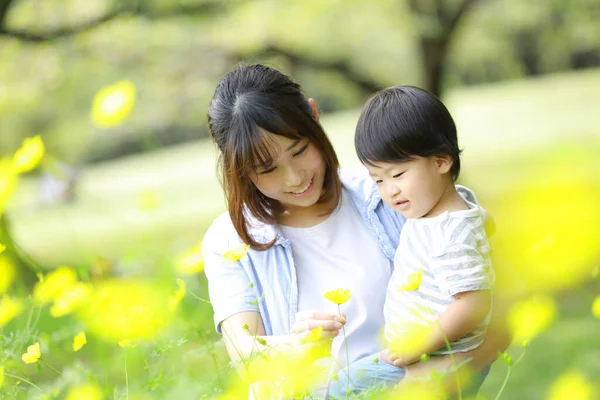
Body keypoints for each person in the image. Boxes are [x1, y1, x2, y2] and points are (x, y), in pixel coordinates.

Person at [202, 64, 509, 399]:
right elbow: (245, 354)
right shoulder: (230, 242)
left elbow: (496, 313)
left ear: (314, 117)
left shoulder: (396, 194)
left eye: (300, 150)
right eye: (267, 169)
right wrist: (296, 345)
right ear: (238, 168)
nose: (294, 179)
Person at [328, 85, 495, 398]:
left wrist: (420, 344)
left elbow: (474, 303)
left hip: (437, 355)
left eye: (398, 174)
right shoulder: (441, 210)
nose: (389, 190)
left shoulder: (448, 229)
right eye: (378, 179)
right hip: (416, 351)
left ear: (442, 161)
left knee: (340, 389)